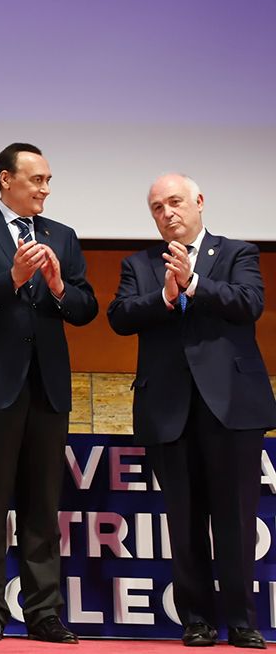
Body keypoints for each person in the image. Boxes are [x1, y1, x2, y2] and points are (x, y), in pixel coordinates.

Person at [107, 174, 276, 650]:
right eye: (158, 207)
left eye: (175, 202)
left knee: (236, 519)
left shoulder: (237, 253)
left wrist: (194, 283)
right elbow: (119, 316)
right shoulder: (138, 263)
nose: (168, 213)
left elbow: (249, 305)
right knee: (183, 520)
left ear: (199, 202)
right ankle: (196, 620)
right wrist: (164, 295)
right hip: (168, 407)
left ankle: (243, 621)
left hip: (231, 407)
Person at [0, 142, 97, 644]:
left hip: (46, 386)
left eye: (49, 180)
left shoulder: (63, 237)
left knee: (42, 505)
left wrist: (55, 284)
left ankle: (44, 612)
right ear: (5, 179)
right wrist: (11, 278)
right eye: (36, 179)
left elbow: (85, 308)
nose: (45, 189)